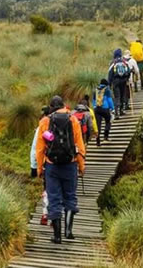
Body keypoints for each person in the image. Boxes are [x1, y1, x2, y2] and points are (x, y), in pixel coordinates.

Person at [36, 95, 86, 243]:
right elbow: (79, 145)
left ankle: (57, 236)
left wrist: (39, 168)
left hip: (52, 166)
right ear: (64, 105)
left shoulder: (45, 122)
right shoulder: (73, 120)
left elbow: (40, 149)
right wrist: (81, 166)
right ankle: (68, 231)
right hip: (70, 164)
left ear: (51, 107)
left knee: (54, 198)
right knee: (70, 196)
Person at [108, 49, 131, 118]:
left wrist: (109, 83)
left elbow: (110, 73)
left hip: (116, 81)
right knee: (122, 95)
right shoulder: (124, 62)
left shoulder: (113, 62)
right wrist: (127, 79)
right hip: (123, 81)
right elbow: (129, 71)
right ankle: (121, 110)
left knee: (117, 96)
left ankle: (116, 112)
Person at [92, 79, 114, 145]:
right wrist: (112, 108)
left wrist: (94, 107)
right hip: (105, 108)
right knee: (108, 121)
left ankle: (97, 141)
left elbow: (93, 100)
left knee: (98, 125)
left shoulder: (95, 90)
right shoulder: (107, 90)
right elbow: (109, 100)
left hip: (97, 109)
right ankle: (105, 137)